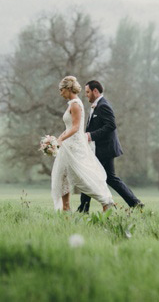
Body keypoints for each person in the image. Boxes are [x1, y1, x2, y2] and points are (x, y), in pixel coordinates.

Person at [78, 80, 144, 212]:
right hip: (98, 149)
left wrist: (90, 136)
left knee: (92, 176)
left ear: (95, 91)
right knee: (102, 177)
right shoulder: (97, 106)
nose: (86, 95)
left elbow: (111, 126)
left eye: (87, 92)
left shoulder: (103, 106)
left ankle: (83, 209)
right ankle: (135, 203)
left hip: (105, 150)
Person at [51, 76, 114, 212]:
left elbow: (75, 127)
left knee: (82, 177)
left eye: (61, 90)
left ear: (68, 89)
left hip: (74, 146)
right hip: (67, 145)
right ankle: (65, 208)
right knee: (62, 175)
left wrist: (61, 140)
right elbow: (69, 128)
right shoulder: (72, 103)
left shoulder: (75, 104)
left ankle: (106, 201)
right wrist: (57, 139)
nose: (60, 93)